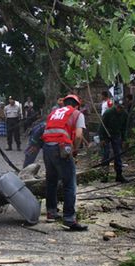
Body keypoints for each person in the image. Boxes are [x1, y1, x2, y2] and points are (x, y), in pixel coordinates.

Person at [42, 94, 87, 231]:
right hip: (61, 148)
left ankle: (51, 212)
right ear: (77, 105)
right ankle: (68, 218)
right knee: (69, 184)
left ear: (64, 103)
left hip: (47, 148)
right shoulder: (77, 113)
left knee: (51, 181)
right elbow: (79, 135)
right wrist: (74, 150)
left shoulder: (54, 112)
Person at [99, 100, 128, 183]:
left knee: (118, 154)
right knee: (106, 154)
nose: (119, 109)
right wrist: (102, 139)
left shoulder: (124, 114)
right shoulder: (108, 112)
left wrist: (124, 139)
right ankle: (104, 175)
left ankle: (119, 175)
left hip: (117, 135)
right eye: (118, 107)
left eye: (121, 108)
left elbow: (124, 128)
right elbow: (102, 126)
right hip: (106, 135)